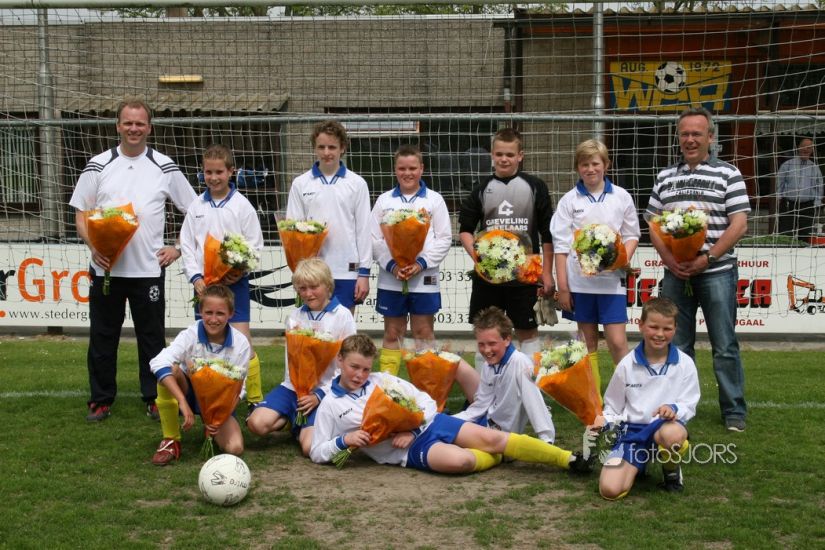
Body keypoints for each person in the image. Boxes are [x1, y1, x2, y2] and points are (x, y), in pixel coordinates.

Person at [70, 97, 198, 422]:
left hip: (148, 270)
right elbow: (81, 214)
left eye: (140, 123)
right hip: (106, 270)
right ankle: (100, 400)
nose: (134, 128)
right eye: (128, 122)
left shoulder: (164, 166)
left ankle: (155, 397)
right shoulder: (98, 164)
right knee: (102, 336)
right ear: (118, 126)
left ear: (149, 128)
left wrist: (178, 248)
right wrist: (93, 246)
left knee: (151, 338)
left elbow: (195, 211)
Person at [310, 334, 593, 474]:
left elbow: (425, 402)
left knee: (494, 438)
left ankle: (567, 459)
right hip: (406, 452)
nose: (360, 375)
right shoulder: (330, 405)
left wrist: (413, 428)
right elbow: (317, 451)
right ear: (340, 361)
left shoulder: (382, 380)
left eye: (365, 369)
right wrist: (345, 440)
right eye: (354, 367)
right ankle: (501, 456)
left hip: (430, 426)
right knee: (462, 461)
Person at [646, 106, 749, 432]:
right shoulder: (665, 176)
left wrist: (708, 258)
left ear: (710, 137)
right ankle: (678, 408)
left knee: (724, 345)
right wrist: (669, 260)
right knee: (677, 345)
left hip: (717, 272)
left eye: (697, 134)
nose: (690, 139)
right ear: (678, 138)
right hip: (676, 273)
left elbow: (739, 224)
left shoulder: (729, 174)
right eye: (685, 134)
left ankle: (734, 411)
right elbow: (652, 223)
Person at [369, 144, 477, 400]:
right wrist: (392, 265)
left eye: (412, 168)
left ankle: (426, 392)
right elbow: (374, 238)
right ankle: (388, 391)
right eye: (402, 168)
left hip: (424, 278)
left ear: (422, 169)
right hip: (391, 278)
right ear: (395, 170)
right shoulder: (384, 200)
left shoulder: (434, 200)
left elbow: (444, 238)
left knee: (423, 333)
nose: (407, 173)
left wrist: (420, 263)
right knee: (392, 333)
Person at [177, 144, 265, 415]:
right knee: (206, 342)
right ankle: (210, 391)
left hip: (235, 284)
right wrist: (195, 278)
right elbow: (187, 245)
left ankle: (254, 398)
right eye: (208, 172)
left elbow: (255, 245)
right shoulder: (196, 206)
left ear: (231, 172)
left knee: (243, 339)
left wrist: (240, 269)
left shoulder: (242, 206)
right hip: (205, 286)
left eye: (219, 172)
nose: (213, 178)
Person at [550, 139, 640, 392]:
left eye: (595, 163)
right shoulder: (569, 200)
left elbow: (632, 234)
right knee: (587, 343)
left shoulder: (621, 196)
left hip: (612, 283)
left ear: (606, 165)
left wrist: (620, 259)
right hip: (580, 284)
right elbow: (560, 247)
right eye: (584, 164)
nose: (590, 169)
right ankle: (594, 401)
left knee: (617, 342)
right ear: (577, 168)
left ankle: (630, 395)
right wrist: (563, 288)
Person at [458, 128, 554, 364]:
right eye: (499, 154)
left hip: (525, 275)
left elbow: (548, 235)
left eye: (510, 154)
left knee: (527, 332)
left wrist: (547, 273)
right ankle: (485, 386)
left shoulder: (535, 186)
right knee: (485, 332)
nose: (504, 159)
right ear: (492, 155)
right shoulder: (481, 188)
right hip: (489, 277)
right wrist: (480, 258)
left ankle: (528, 384)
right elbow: (465, 230)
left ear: (520, 155)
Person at [591, 297, 700, 498]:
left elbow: (689, 403)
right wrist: (603, 421)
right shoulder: (626, 365)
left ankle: (671, 472)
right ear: (641, 325)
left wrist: (674, 408)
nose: (660, 334)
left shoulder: (685, 363)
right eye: (653, 327)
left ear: (675, 329)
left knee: (672, 435)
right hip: (632, 433)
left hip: (664, 428)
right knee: (610, 490)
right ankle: (638, 464)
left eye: (667, 328)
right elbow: (613, 407)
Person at [247, 258, 356, 456]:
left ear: (328, 285)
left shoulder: (343, 315)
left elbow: (349, 364)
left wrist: (319, 395)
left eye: (314, 287)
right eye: (302, 288)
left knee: (308, 448)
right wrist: (297, 387)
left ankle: (307, 424)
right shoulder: (295, 316)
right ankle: (292, 419)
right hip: (293, 388)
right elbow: (291, 361)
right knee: (256, 424)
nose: (308, 293)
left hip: (325, 391)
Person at [149, 284, 251, 465]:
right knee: (171, 370)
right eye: (208, 312)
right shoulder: (190, 334)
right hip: (188, 392)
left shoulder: (241, 343)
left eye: (220, 313)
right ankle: (171, 440)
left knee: (235, 448)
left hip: (220, 402)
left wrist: (220, 418)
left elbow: (240, 389)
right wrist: (182, 401)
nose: (213, 319)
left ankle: (210, 426)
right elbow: (157, 362)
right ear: (200, 312)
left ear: (231, 314)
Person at [286, 120, 372, 312]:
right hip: (312, 271)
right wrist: (299, 270)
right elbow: (292, 232)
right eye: (321, 147)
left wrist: (364, 273)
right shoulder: (300, 184)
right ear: (314, 148)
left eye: (332, 147)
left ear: (342, 148)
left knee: (344, 326)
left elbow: (364, 231)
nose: (326, 152)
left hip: (346, 270)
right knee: (314, 326)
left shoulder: (357, 184)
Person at [454, 306, 556, 443]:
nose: (486, 350)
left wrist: (547, 439)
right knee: (440, 428)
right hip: (484, 426)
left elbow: (535, 403)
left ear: (507, 340)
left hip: (498, 437)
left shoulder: (520, 364)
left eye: (492, 343)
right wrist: (450, 421)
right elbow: (480, 406)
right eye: (481, 344)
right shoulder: (488, 365)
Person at [777, 137, 823, 239]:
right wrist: (778, 199)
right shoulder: (787, 165)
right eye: (804, 146)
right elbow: (779, 183)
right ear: (798, 148)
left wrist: (816, 203)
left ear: (812, 151)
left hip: (807, 207)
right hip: (788, 205)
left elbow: (819, 186)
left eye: (809, 148)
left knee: (805, 237)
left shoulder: (815, 168)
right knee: (785, 236)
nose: (806, 149)